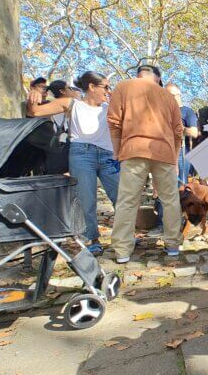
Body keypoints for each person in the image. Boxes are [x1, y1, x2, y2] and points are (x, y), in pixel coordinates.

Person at [26, 72, 119, 256]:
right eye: (105, 87)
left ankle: (124, 237)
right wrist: (33, 97)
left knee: (122, 196)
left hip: (109, 157)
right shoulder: (72, 104)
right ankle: (92, 240)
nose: (108, 91)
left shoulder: (111, 107)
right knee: (86, 199)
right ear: (91, 87)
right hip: (81, 154)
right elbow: (34, 112)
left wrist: (119, 100)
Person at [107, 64, 183, 263]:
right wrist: (175, 159)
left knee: (128, 200)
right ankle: (173, 244)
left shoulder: (123, 87)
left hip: (133, 148)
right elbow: (178, 131)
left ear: (138, 74)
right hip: (165, 152)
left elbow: (114, 122)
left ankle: (122, 250)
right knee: (170, 199)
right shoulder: (168, 96)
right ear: (157, 78)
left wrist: (117, 150)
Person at [165, 83, 198, 185]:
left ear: (178, 95)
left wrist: (180, 129)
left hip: (181, 153)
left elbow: (194, 132)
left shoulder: (187, 111)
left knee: (180, 185)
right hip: (164, 151)